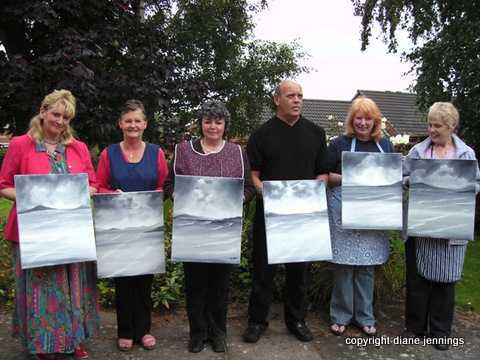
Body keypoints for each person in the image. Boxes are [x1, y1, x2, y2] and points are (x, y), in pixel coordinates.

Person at [0, 89, 99, 360]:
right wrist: (34, 195)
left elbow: (93, 183)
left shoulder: (77, 147)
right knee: (40, 290)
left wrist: (81, 191)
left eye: (66, 117)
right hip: (34, 231)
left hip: (72, 230)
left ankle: (74, 340)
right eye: (56, 114)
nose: (60, 121)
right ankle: (44, 343)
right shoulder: (22, 144)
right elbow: (4, 185)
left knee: (74, 287)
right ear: (43, 112)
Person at [164, 100, 255, 353]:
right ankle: (197, 333)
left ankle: (218, 333)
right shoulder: (183, 150)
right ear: (200, 123)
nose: (213, 126)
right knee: (195, 284)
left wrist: (239, 198)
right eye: (208, 121)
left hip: (224, 231)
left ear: (225, 125)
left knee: (220, 285)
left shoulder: (237, 153)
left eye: (218, 121)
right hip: (192, 230)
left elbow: (248, 188)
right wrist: (179, 196)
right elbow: (169, 184)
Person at [242, 80, 328, 343]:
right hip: (270, 215)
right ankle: (257, 321)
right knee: (263, 272)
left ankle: (297, 320)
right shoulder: (261, 135)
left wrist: (313, 191)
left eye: (300, 95)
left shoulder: (316, 133)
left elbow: (322, 173)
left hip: (304, 217)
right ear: (276, 99)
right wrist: (265, 192)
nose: (297, 99)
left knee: (299, 272)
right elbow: (253, 176)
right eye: (291, 95)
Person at [403, 102, 479, 350]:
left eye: (437, 125)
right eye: (430, 124)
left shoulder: (466, 155)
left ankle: (440, 332)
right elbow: (402, 177)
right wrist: (410, 182)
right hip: (421, 223)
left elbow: (475, 185)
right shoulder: (418, 152)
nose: (432, 130)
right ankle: (415, 328)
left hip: (452, 226)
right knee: (417, 281)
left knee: (446, 282)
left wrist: (460, 187)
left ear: (451, 126)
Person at [96, 100, 168, 352]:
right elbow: (99, 186)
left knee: (144, 279)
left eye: (137, 120)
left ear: (145, 124)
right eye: (128, 121)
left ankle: (144, 330)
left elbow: (164, 186)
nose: (133, 125)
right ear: (120, 124)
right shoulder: (108, 154)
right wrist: (110, 193)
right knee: (124, 279)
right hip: (119, 226)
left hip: (147, 225)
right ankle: (125, 331)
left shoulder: (156, 153)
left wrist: (154, 194)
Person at [326, 97, 394, 337]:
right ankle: (341, 315)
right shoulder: (338, 144)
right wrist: (352, 177)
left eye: (368, 118)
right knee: (344, 267)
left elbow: (392, 179)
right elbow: (325, 176)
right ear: (351, 120)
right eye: (359, 117)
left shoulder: (385, 146)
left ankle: (365, 316)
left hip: (374, 211)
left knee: (367, 267)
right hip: (342, 210)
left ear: (375, 121)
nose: (363, 123)